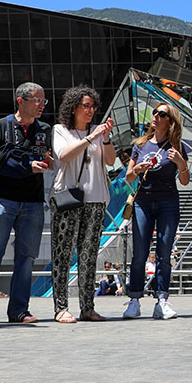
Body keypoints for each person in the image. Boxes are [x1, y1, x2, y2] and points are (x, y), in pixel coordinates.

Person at [0, 82, 52, 325]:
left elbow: (49, 157)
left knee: (26, 258)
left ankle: (19, 310)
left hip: (33, 202)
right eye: (37, 100)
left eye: (43, 101)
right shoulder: (1, 126)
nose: (41, 105)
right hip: (3, 201)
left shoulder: (45, 129)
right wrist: (27, 166)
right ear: (21, 100)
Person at [51, 86, 115, 323]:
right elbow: (64, 155)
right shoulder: (60, 130)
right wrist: (90, 137)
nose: (90, 110)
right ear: (73, 107)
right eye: (85, 105)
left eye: (92, 106)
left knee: (88, 256)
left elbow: (110, 160)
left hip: (96, 200)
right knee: (63, 254)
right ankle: (60, 307)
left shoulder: (98, 133)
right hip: (69, 199)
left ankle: (87, 307)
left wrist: (105, 138)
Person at [122, 103, 189, 320]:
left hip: (168, 202)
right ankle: (134, 299)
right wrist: (137, 169)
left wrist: (180, 163)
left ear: (170, 121)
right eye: (155, 113)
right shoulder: (141, 145)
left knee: (163, 253)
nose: (157, 117)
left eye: (162, 114)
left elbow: (185, 181)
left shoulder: (176, 145)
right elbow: (129, 177)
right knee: (140, 252)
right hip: (143, 202)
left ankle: (162, 300)